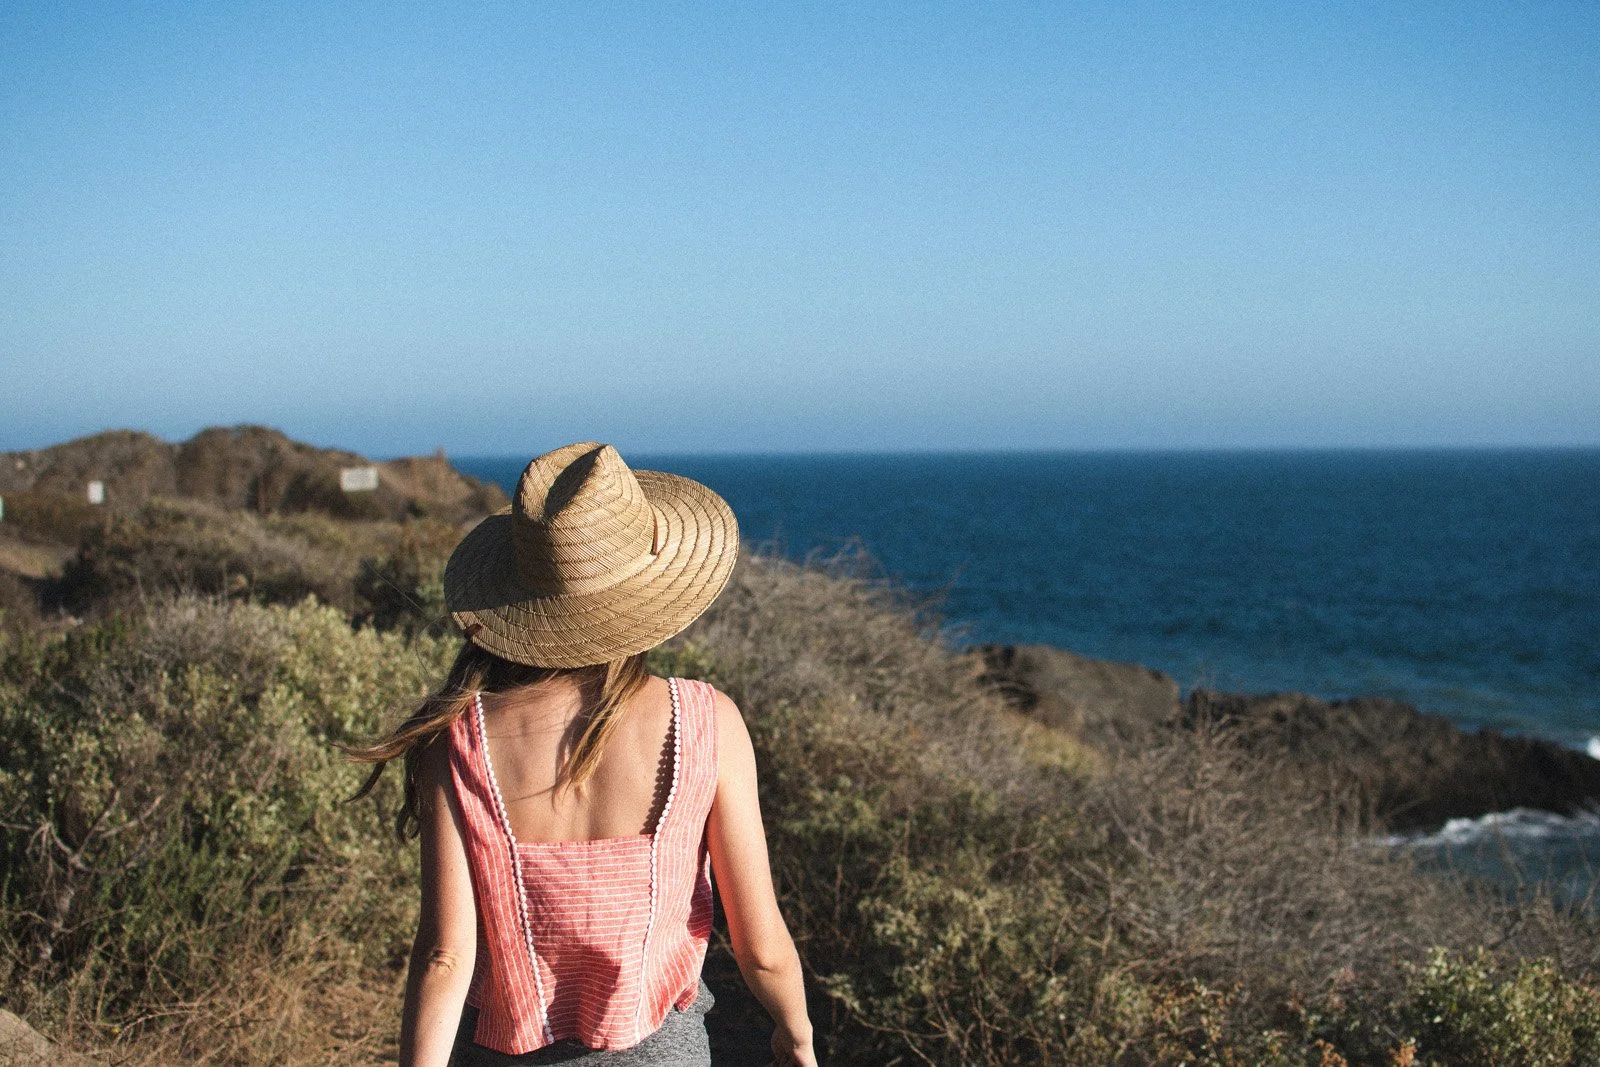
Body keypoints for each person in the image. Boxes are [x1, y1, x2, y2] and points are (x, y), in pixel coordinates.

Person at [349, 443, 816, 1067]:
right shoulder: (708, 724)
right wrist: (795, 1036)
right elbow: (761, 949)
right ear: (647, 592)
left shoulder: (458, 740)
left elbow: (445, 957)